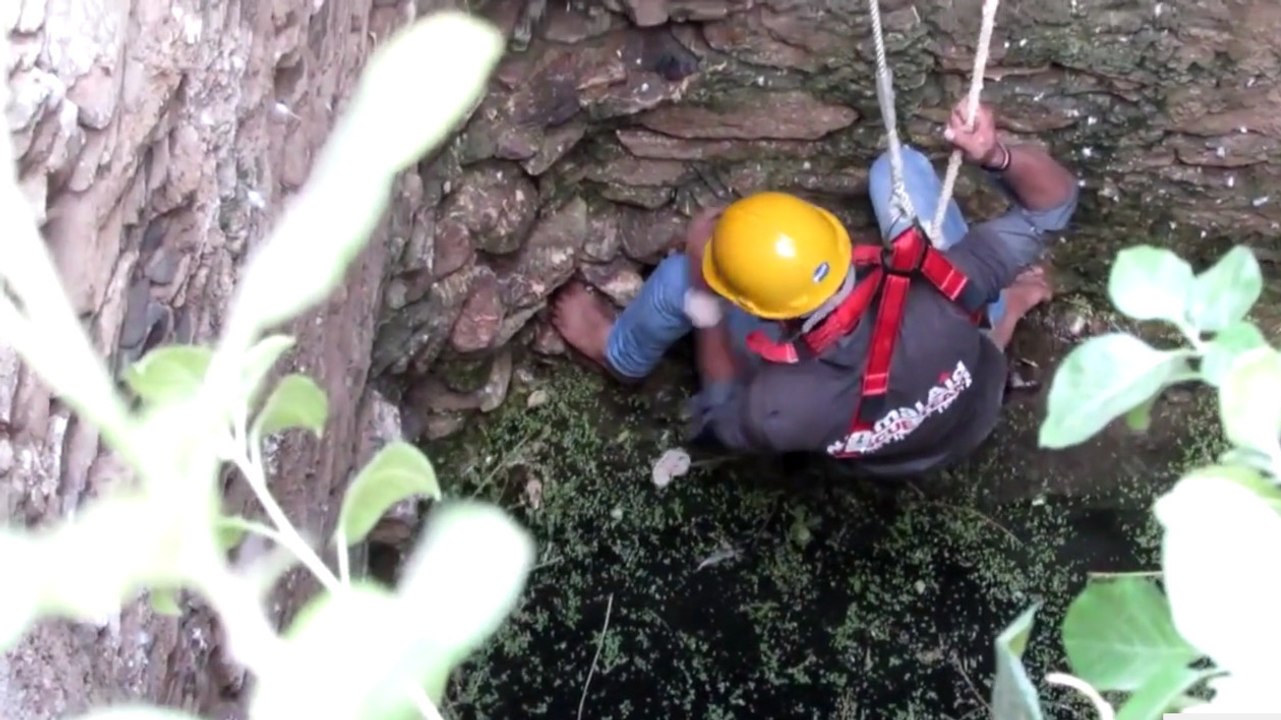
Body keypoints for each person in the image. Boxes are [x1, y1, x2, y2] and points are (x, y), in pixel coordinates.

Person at [551, 100, 1080, 476]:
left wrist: (704, 295)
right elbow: (1053, 206)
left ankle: (620, 357)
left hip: (894, 452)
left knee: (674, 284)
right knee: (897, 171)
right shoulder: (944, 285)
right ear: (838, 245)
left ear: (760, 309)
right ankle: (1004, 312)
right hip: (970, 402)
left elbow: (720, 410)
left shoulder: (780, 407)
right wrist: (994, 154)